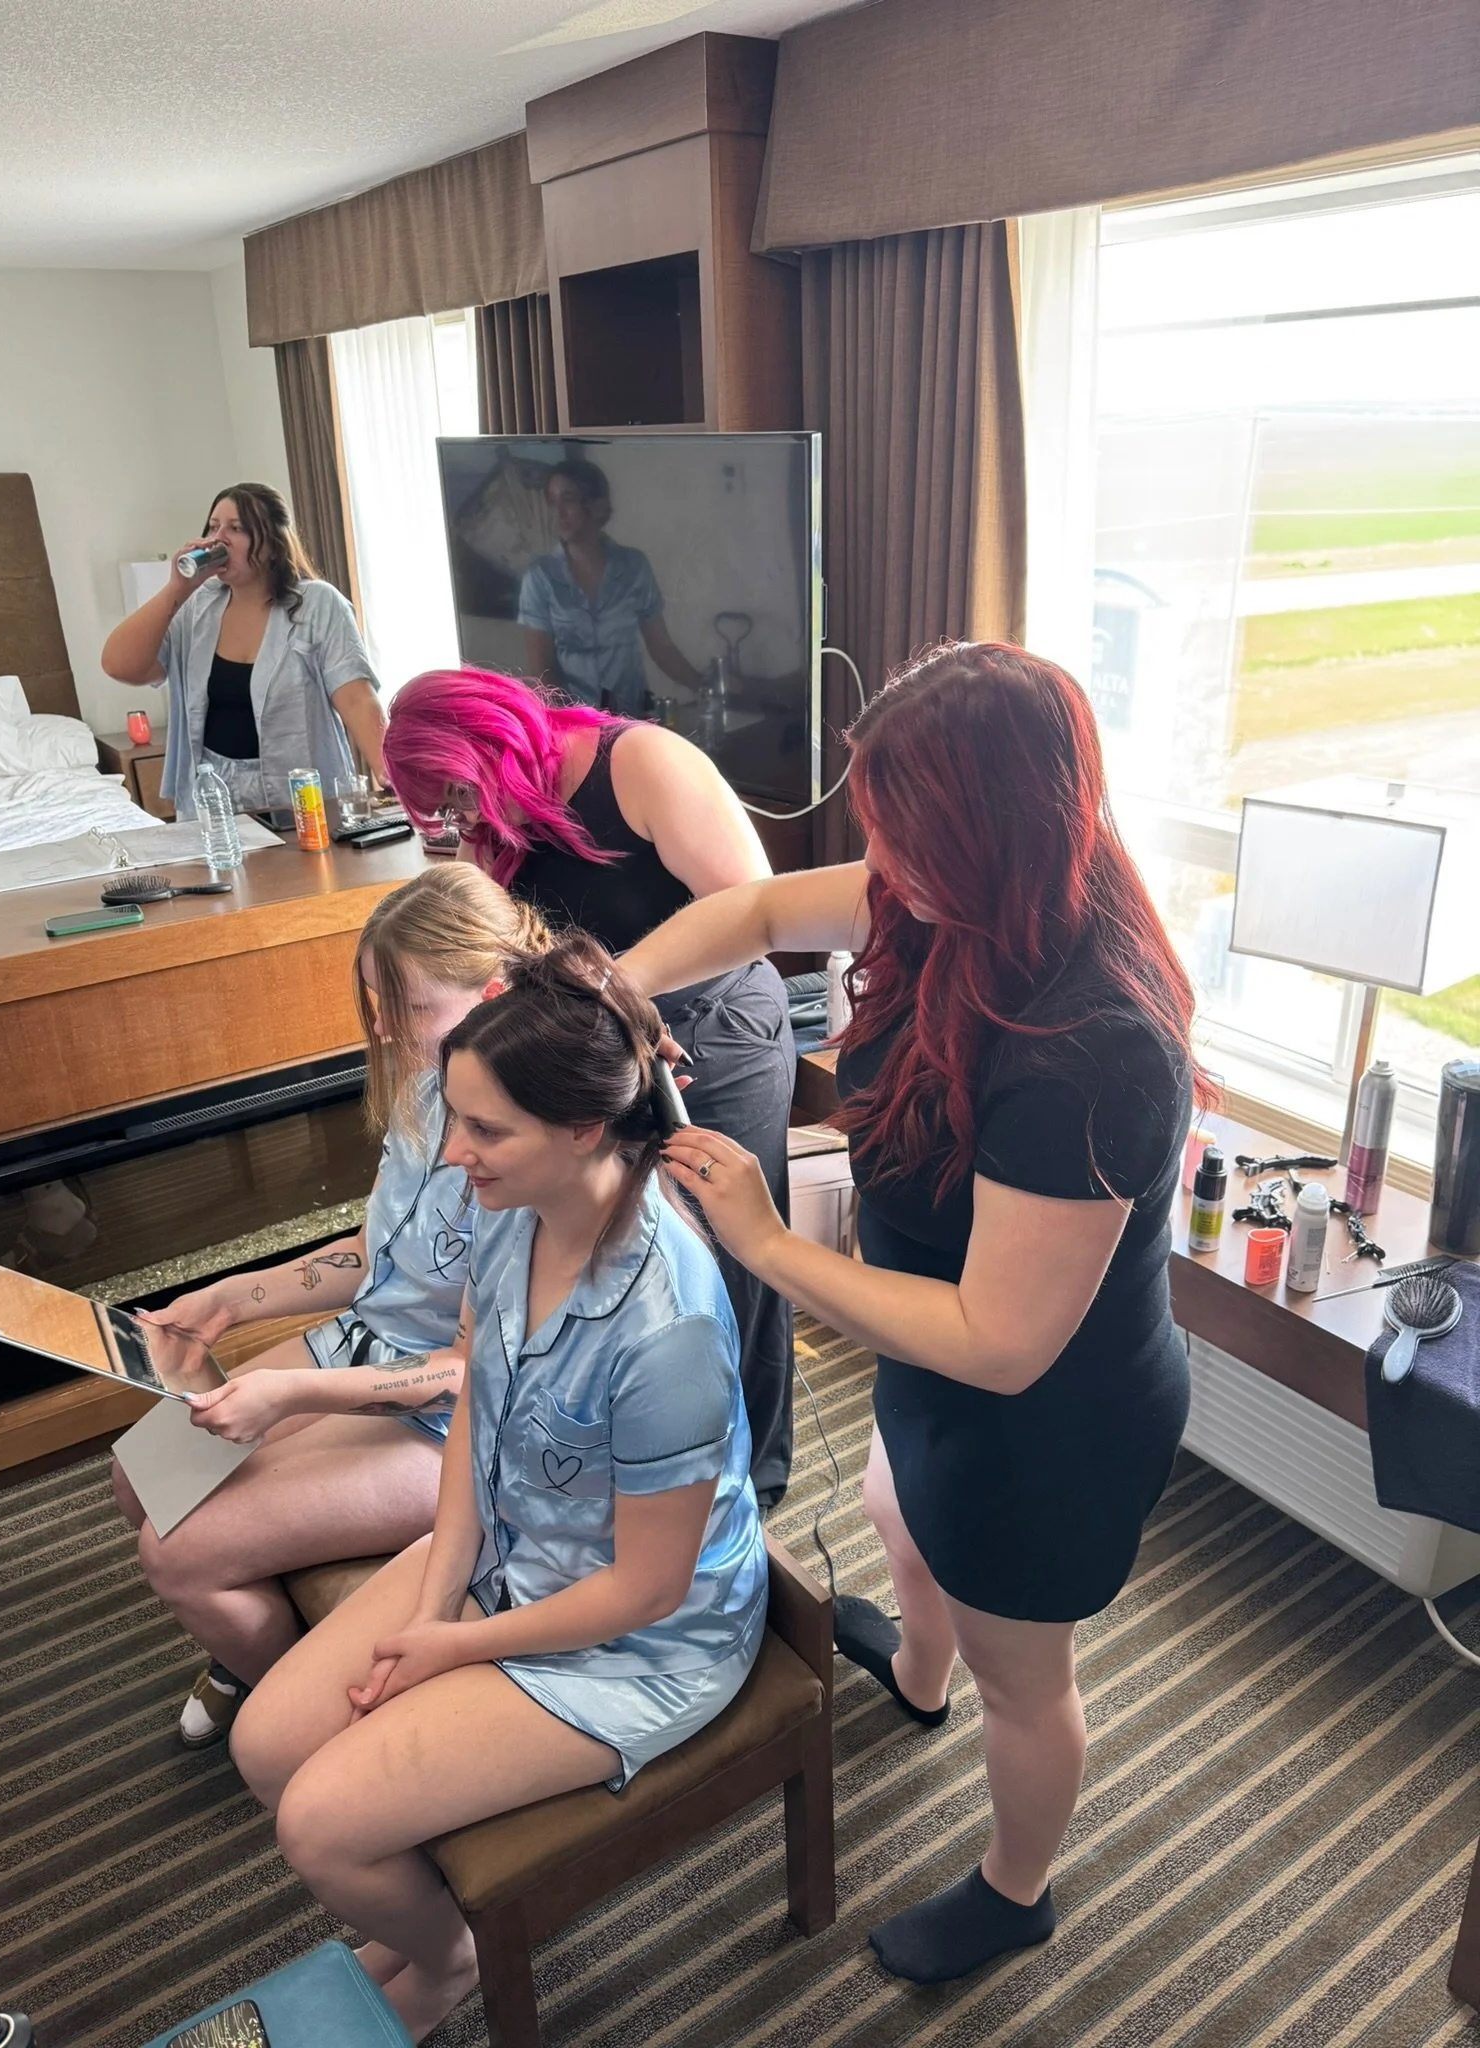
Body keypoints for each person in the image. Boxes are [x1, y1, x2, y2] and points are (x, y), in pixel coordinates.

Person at [615, 642, 1200, 1986]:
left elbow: (1001, 1343)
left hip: (1043, 1417)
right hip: (926, 1337)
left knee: (1026, 1676)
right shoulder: (942, 900)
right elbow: (757, 916)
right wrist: (615, 990)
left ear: (1000, 831)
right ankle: (920, 1676)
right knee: (895, 1510)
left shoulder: (1095, 1052)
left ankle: (1016, 1890)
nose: (881, 869)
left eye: (905, 838)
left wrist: (762, 1239)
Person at [229, 934, 767, 2043]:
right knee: (267, 1746)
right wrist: (433, 1599)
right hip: (515, 1552)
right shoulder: (511, 1214)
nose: (456, 1151)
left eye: (485, 1128)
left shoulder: (664, 1325)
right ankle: (431, 1917)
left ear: (583, 1128)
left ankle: (446, 1956)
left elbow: (647, 1591)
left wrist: (453, 1647)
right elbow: (474, 1402)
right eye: (456, 1116)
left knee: (322, 1825)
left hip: (638, 1643)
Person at [110, 864, 548, 1746]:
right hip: (376, 1347)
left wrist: (295, 1396)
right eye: (375, 1004)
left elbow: (470, 1369)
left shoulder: (534, 1144)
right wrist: (237, 1295)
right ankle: (277, 1637)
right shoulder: (436, 1076)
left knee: (177, 1553)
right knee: (139, 1474)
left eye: (407, 1006)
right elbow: (382, 1247)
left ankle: (293, 1709)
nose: (384, 1027)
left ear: (494, 991)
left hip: (469, 1422)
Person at [383, 668, 798, 1508]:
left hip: (716, 1030)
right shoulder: (497, 822)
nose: (459, 819)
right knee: (629, 1259)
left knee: (730, 1257)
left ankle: (753, 1481)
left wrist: (618, 987)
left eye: (458, 793)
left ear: (490, 741)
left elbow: (758, 908)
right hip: (598, 1050)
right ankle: (651, 1469)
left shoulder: (641, 763)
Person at [101, 482, 386, 818]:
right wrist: (177, 589)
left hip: (300, 795)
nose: (219, 538)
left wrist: (391, 772)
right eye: (213, 526)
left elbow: (356, 698)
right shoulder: (197, 606)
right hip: (213, 799)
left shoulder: (319, 604)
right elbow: (119, 665)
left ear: (274, 543)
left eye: (236, 528)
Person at [518, 457, 702, 717]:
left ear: (597, 506)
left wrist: (705, 687)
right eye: (553, 501)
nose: (558, 512)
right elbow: (541, 673)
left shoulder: (634, 566)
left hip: (632, 720)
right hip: (574, 726)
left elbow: (662, 648)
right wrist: (574, 728)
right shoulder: (540, 577)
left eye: (568, 499)